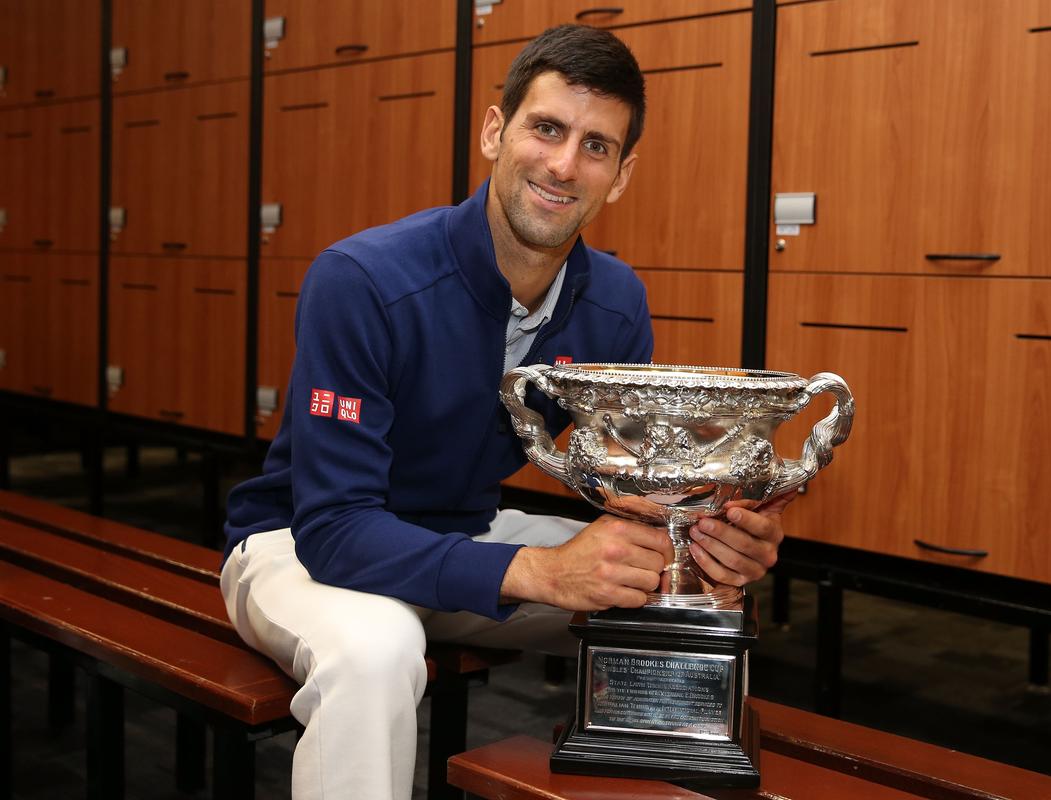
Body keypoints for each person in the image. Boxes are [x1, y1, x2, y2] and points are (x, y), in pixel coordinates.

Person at [221, 24, 793, 800]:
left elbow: (626, 485)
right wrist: (541, 571)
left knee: (680, 591)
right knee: (377, 648)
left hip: (460, 532)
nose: (564, 165)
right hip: (300, 547)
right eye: (547, 128)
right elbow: (335, 528)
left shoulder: (617, 301)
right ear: (497, 132)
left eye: (596, 146)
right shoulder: (361, 278)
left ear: (621, 176)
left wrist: (711, 536)